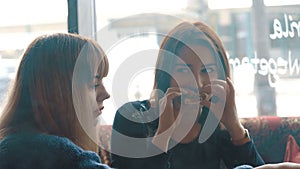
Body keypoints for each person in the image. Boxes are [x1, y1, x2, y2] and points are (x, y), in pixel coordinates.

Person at [110, 21, 265, 169]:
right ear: (166, 73)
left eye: (207, 70)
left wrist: (235, 127)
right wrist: (163, 134)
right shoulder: (132, 117)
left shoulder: (216, 124)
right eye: (183, 70)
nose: (197, 83)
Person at [0, 33, 112, 169]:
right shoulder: (66, 160)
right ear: (58, 91)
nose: (105, 95)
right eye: (94, 84)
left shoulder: (10, 148)